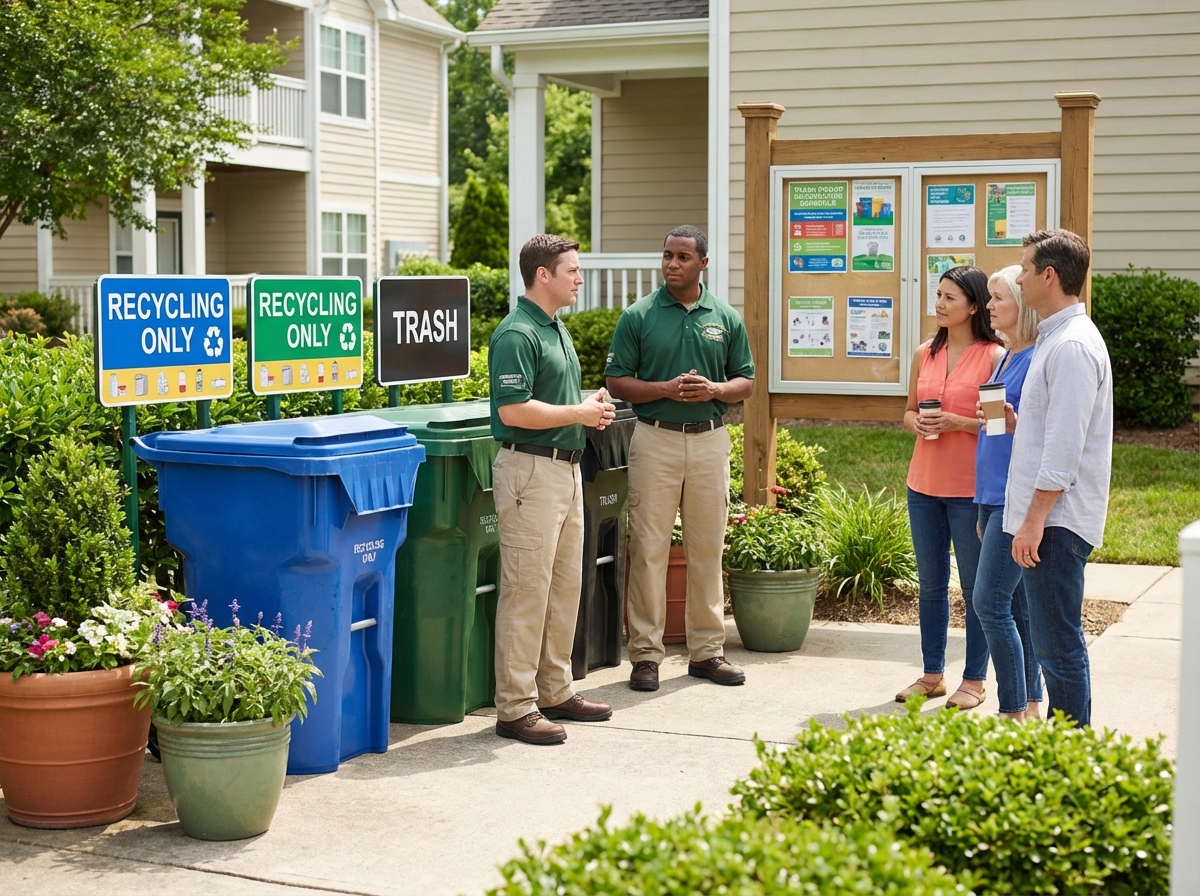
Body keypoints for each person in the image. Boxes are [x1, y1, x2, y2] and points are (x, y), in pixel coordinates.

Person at [605, 225, 755, 692]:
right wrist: (664, 390)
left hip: (710, 441)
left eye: (683, 257)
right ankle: (646, 656)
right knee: (647, 549)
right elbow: (616, 380)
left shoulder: (725, 318)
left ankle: (707, 652)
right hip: (655, 439)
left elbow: (745, 381)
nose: (672, 264)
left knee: (707, 549)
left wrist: (714, 389)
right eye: (667, 255)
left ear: (702, 264)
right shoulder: (639, 316)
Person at [488, 234, 617, 745]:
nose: (579, 278)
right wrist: (579, 414)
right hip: (529, 473)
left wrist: (587, 404)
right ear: (543, 274)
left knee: (565, 587)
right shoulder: (517, 333)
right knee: (526, 592)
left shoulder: (554, 328)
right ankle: (515, 707)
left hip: (566, 470)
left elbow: (550, 399)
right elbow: (512, 410)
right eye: (572, 270)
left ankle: (554, 689)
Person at [1006, 229, 1112, 728]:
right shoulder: (1057, 338)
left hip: (1056, 523)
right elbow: (1052, 430)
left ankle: (1067, 755)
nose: (1019, 277)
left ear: (1049, 276)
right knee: (1053, 643)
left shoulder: (1071, 347)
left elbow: (1063, 455)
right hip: (1045, 519)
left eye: (1025, 268)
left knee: (1058, 647)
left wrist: (1031, 524)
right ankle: (1064, 747)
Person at [897, 265, 1004, 709]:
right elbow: (905, 412)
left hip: (969, 491)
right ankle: (931, 675)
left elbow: (999, 424)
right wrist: (916, 423)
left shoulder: (996, 356)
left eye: (949, 298)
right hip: (922, 485)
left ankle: (974, 680)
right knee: (931, 584)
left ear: (974, 306)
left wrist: (959, 422)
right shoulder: (925, 352)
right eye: (937, 295)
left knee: (976, 587)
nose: (938, 304)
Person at [971, 265, 1043, 720]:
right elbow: (999, 430)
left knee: (989, 602)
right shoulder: (1005, 355)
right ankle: (1031, 703)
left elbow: (1040, 432)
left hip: (1012, 498)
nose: (990, 305)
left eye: (998, 298)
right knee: (1016, 607)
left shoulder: (1038, 358)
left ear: (1024, 305)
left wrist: (1017, 423)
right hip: (989, 491)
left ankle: (1012, 711)